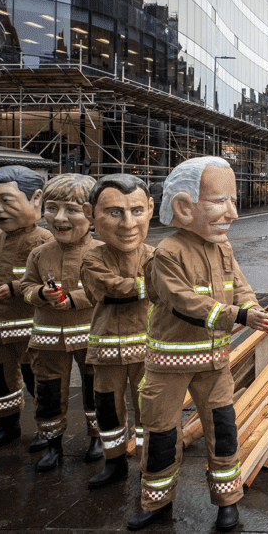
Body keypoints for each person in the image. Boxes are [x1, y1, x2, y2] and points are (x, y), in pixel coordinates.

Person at [128, 157, 268, 532]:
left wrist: (254, 308)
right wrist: (239, 316)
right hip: (168, 364)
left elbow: (239, 286)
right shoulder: (168, 253)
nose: (234, 213)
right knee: (161, 432)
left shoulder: (221, 247)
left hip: (215, 362)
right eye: (221, 201)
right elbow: (184, 303)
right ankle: (156, 501)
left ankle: (228, 502)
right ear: (183, 207)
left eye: (233, 200)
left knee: (223, 430)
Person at [20, 174, 103, 471]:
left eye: (72, 209)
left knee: (97, 389)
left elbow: (106, 288)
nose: (59, 218)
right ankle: (53, 443)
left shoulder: (101, 252)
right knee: (49, 392)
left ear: (92, 214)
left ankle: (97, 437)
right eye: (52, 208)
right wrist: (41, 293)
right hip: (47, 337)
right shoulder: (39, 253)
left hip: (91, 335)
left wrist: (75, 299)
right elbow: (26, 287)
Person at [81, 174, 156, 489]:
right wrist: (150, 286)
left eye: (136, 211)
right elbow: (108, 289)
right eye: (114, 212)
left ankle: (146, 462)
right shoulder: (92, 258)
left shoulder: (154, 255)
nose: (127, 223)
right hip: (108, 347)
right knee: (108, 408)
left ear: (150, 209)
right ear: (91, 215)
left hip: (149, 348)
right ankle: (113, 462)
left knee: (148, 410)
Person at [0, 166, 53, 450]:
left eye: (6, 201)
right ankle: (7, 424)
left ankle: (47, 428)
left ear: (35, 198)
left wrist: (16, 288)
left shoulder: (44, 241)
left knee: (38, 380)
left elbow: (54, 281)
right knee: (1, 381)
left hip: (31, 328)